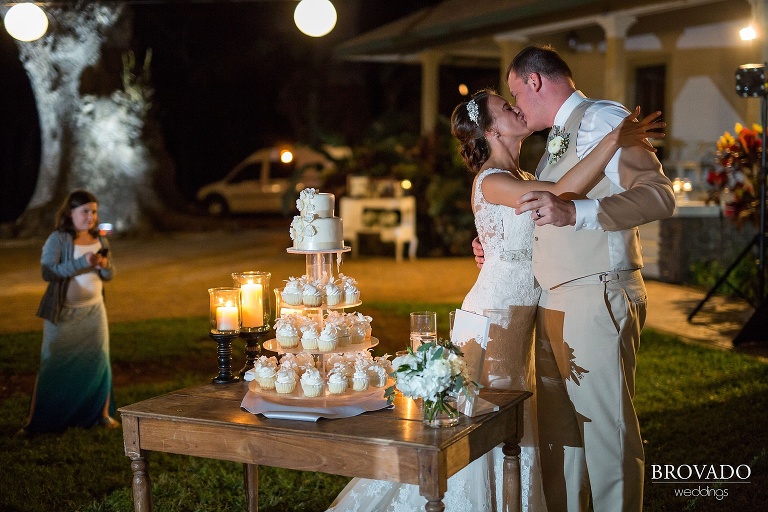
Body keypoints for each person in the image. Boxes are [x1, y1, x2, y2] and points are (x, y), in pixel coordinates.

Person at [327, 89, 664, 511]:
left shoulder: (522, 176)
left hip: (528, 313)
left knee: (519, 415)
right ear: (491, 129)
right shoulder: (492, 180)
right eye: (507, 107)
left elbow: (542, 217)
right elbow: (560, 191)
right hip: (497, 315)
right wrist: (614, 139)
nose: (516, 108)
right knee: (487, 418)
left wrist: (487, 243)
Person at [473, 45, 676, 512]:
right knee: (559, 441)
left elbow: (659, 196)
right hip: (551, 302)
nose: (515, 104)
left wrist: (578, 212)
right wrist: (495, 248)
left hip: (596, 292)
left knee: (606, 436)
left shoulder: (604, 119)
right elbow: (537, 212)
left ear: (534, 82)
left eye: (513, 92)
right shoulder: (551, 146)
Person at [21, 189, 118, 434]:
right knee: (54, 363)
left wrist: (104, 266)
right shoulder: (58, 239)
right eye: (85, 211)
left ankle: (100, 414)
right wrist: (81, 263)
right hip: (63, 314)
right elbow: (48, 272)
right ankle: (41, 422)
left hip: (95, 313)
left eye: (94, 212)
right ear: (70, 213)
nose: (90, 217)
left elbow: (109, 275)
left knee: (98, 362)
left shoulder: (100, 240)